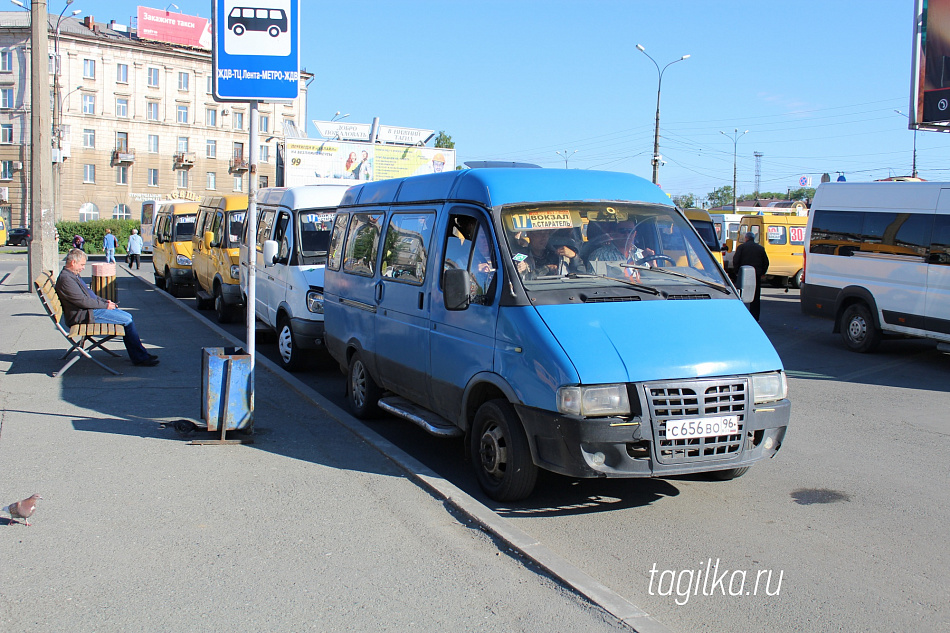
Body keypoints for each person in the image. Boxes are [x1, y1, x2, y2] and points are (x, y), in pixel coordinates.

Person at [55, 249, 159, 366]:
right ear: (73, 262)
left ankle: (140, 354)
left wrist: (105, 301)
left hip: (87, 311)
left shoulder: (72, 276)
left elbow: (89, 295)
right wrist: (105, 305)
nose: (83, 268)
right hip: (84, 315)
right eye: (82, 265)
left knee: (128, 317)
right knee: (127, 320)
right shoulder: (66, 279)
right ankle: (140, 357)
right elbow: (83, 301)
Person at [732, 231, 769, 321]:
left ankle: (742, 316)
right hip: (756, 275)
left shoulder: (741, 247)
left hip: (743, 274)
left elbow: (736, 260)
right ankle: (755, 318)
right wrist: (762, 273)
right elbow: (766, 262)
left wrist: (737, 271)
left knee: (741, 295)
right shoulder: (760, 248)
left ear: (746, 238)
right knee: (755, 297)